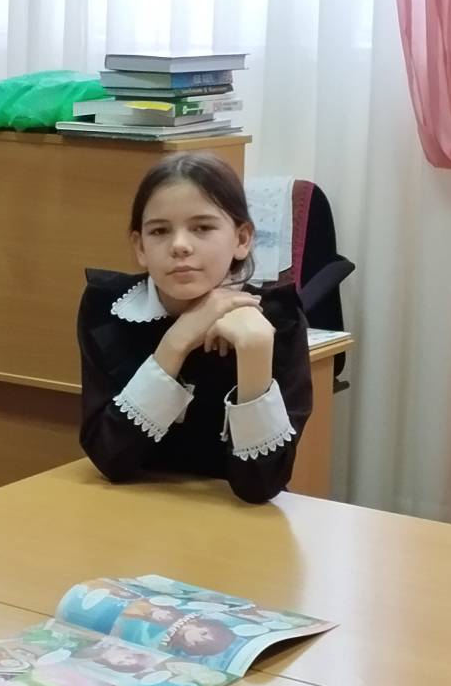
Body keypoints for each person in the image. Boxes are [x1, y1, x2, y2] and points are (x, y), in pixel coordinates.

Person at [77, 153, 311, 503]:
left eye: (202, 227)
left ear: (242, 239)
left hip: (233, 522)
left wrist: (256, 350)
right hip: (134, 510)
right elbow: (110, 458)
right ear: (140, 247)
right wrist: (177, 341)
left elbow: (259, 487)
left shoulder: (279, 320)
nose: (180, 246)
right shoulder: (109, 309)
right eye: (159, 231)